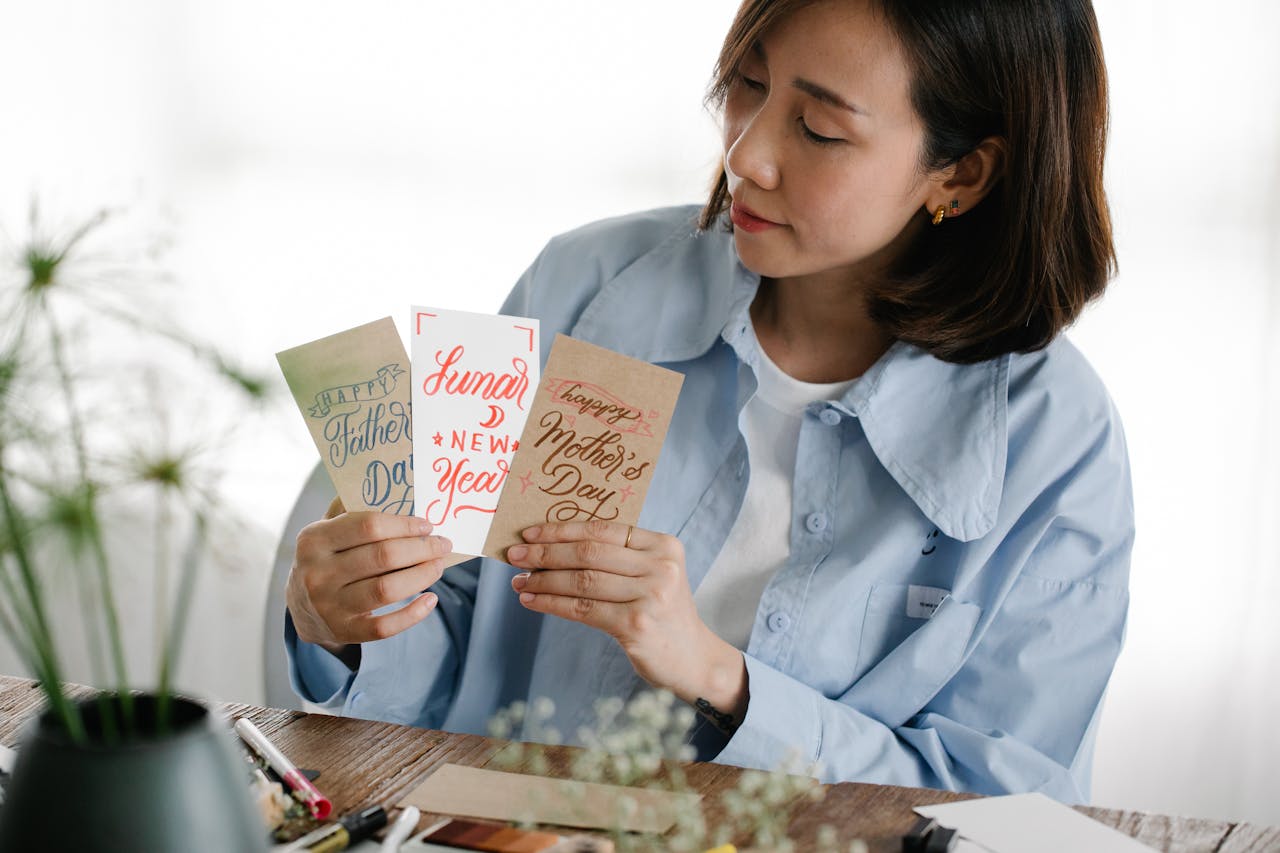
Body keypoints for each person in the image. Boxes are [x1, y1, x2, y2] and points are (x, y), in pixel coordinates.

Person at [285, 0, 1132, 802]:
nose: (747, 156)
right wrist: (347, 619)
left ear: (963, 173)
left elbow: (1010, 808)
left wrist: (719, 675)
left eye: (820, 128)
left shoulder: (1056, 435)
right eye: (748, 85)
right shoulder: (579, 284)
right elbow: (446, 668)